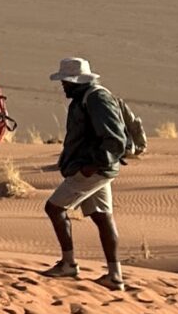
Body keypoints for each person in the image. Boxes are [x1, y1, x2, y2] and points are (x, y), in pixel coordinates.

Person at [45, 56, 130, 290]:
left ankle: (68, 264)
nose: (63, 86)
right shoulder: (86, 98)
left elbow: (115, 139)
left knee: (54, 208)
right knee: (102, 216)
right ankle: (115, 276)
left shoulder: (96, 99)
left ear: (76, 81)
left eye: (65, 81)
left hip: (94, 169)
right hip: (98, 168)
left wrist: (90, 166)